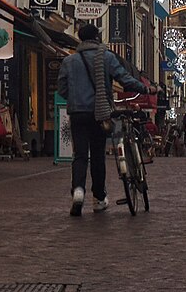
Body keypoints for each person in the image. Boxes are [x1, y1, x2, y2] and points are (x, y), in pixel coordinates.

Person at [57, 23, 147, 216]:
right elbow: (124, 79)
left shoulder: (69, 61)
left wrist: (75, 100)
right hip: (99, 113)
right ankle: (98, 198)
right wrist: (146, 89)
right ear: (96, 38)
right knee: (98, 155)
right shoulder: (106, 57)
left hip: (77, 114)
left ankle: (78, 191)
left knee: (80, 155)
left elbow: (62, 89)